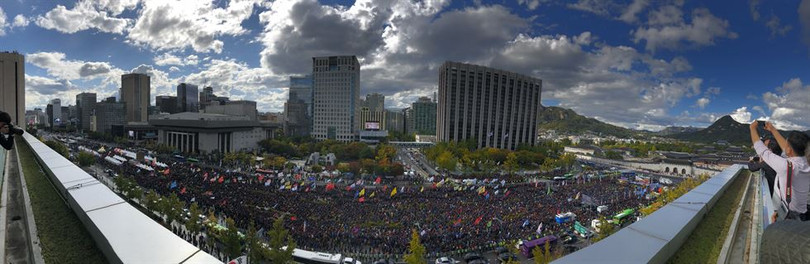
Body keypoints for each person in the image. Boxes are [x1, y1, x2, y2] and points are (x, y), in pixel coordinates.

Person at [750, 121, 810, 221]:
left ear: (789, 150)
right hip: (803, 214)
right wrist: (773, 130)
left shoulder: (786, 166)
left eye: (786, 144)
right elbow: (787, 149)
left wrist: (752, 129)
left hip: (788, 217)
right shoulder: (806, 163)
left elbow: (761, 150)